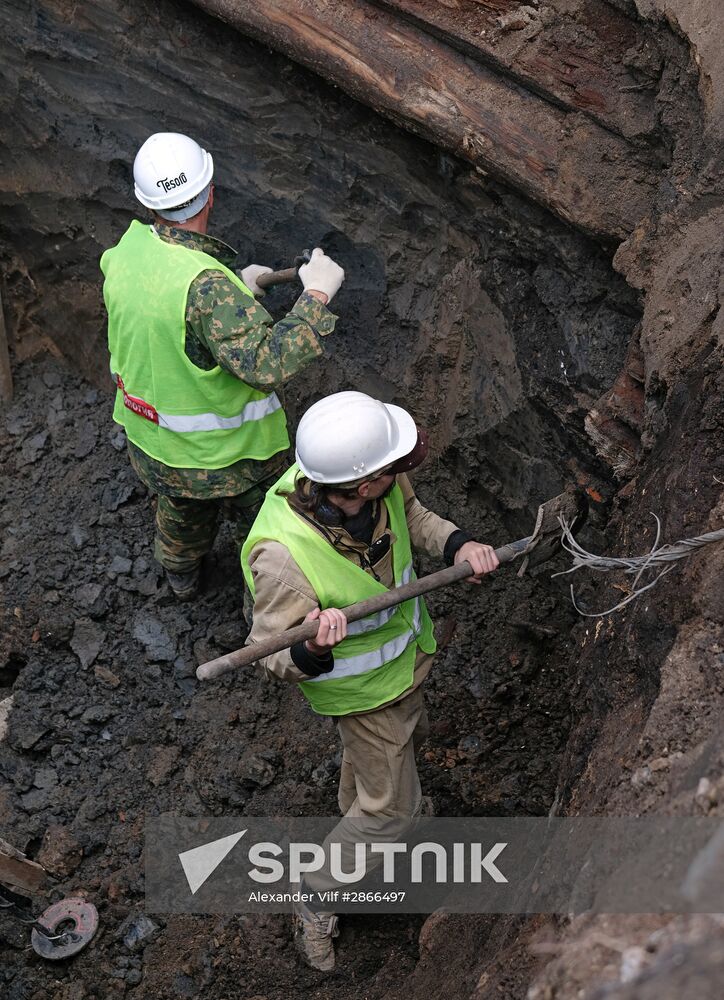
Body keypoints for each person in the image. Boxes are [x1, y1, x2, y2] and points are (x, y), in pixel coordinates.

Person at [241, 391, 499, 970]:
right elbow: (269, 655)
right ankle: (316, 894)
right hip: (367, 697)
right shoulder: (284, 559)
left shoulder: (366, 482)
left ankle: (371, 804)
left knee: (385, 771)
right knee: (388, 814)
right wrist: (308, 644)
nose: (403, 470)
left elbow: (415, 517)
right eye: (394, 467)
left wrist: (461, 546)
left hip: (407, 665)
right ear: (362, 484)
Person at [100, 131, 344, 599]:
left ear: (147, 204)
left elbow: (165, 314)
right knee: (269, 534)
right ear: (209, 192)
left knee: (181, 518)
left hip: (155, 447)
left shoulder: (124, 254)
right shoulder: (207, 288)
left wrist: (235, 287)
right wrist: (316, 296)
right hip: (230, 460)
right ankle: (267, 605)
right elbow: (266, 364)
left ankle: (180, 577)